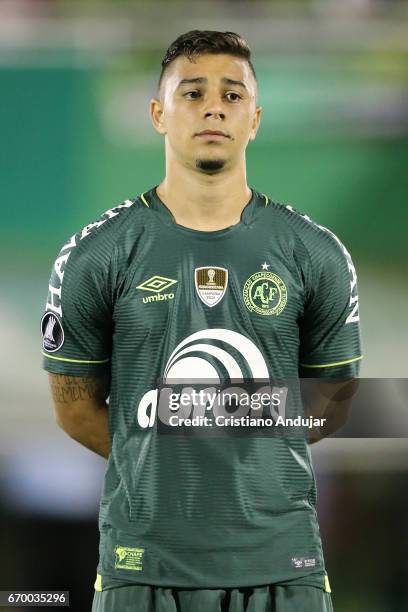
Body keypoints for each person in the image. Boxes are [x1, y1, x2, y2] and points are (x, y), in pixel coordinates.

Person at [41, 30, 362, 612]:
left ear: (255, 119)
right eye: (192, 93)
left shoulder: (315, 252)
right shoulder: (96, 253)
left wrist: (233, 433)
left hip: (283, 566)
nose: (214, 106)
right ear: (159, 114)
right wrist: (163, 458)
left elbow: (334, 399)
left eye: (232, 95)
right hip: (142, 566)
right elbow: (73, 407)